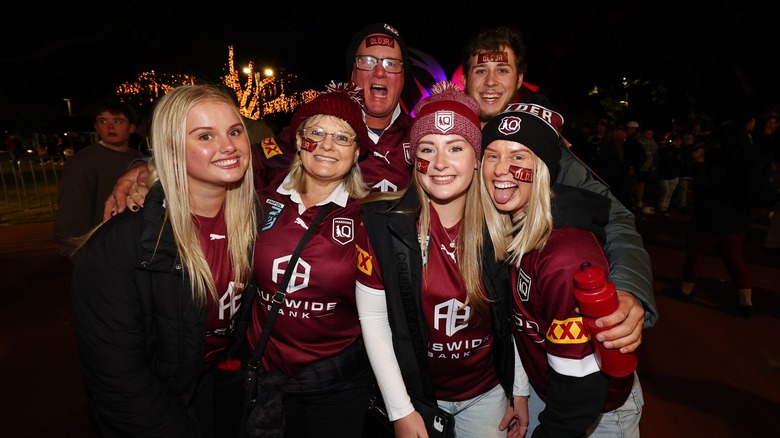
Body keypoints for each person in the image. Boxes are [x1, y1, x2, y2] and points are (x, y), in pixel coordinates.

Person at [460, 25, 654, 433]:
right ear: (466, 78)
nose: (491, 80)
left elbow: (614, 218)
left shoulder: (542, 145)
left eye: (502, 69)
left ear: (518, 79)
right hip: (511, 365)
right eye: (480, 70)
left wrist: (629, 290)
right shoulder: (453, 143)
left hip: (575, 378)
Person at [71, 84, 257, 436]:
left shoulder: (256, 217)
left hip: (214, 387)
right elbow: (118, 380)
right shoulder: (119, 245)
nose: (228, 145)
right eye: (205, 136)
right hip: (152, 406)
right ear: (171, 148)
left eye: (234, 131)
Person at [356, 82, 529, 437]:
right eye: (427, 149)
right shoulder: (381, 225)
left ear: (477, 156)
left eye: (455, 147)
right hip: (415, 396)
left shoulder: (505, 224)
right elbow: (373, 320)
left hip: (486, 396)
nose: (439, 164)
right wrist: (400, 410)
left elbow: (516, 319)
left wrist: (519, 389)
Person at [102, 22, 414, 216]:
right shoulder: (310, 136)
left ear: (403, 77)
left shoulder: (423, 139)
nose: (379, 71)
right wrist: (147, 168)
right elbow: (235, 160)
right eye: (367, 61)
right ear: (352, 71)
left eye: (392, 63)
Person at [481, 104, 643, 437]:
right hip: (551, 392)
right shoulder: (514, 229)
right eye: (492, 155)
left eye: (519, 157)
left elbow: (581, 396)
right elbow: (522, 327)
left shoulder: (563, 255)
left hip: (600, 416)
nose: (501, 169)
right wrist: (522, 391)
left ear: (543, 170)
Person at [233, 81, 374, 437]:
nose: (327, 145)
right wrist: (143, 170)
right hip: (265, 378)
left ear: (356, 152)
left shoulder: (371, 216)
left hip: (336, 383)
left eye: (343, 138)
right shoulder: (260, 199)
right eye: (317, 133)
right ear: (298, 141)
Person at [664, 113, 761, 318]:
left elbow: (706, 188)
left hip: (715, 216)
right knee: (734, 257)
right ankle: (746, 303)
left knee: (695, 251)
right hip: (738, 217)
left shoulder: (722, 161)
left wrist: (698, 164)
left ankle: (686, 290)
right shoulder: (749, 160)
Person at [54, 99, 144, 256]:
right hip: (98, 251)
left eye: (118, 121)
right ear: (96, 127)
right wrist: (79, 254)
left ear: (131, 127)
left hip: (134, 248)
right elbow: (71, 214)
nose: (110, 127)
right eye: (103, 121)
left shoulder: (139, 160)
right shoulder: (83, 161)